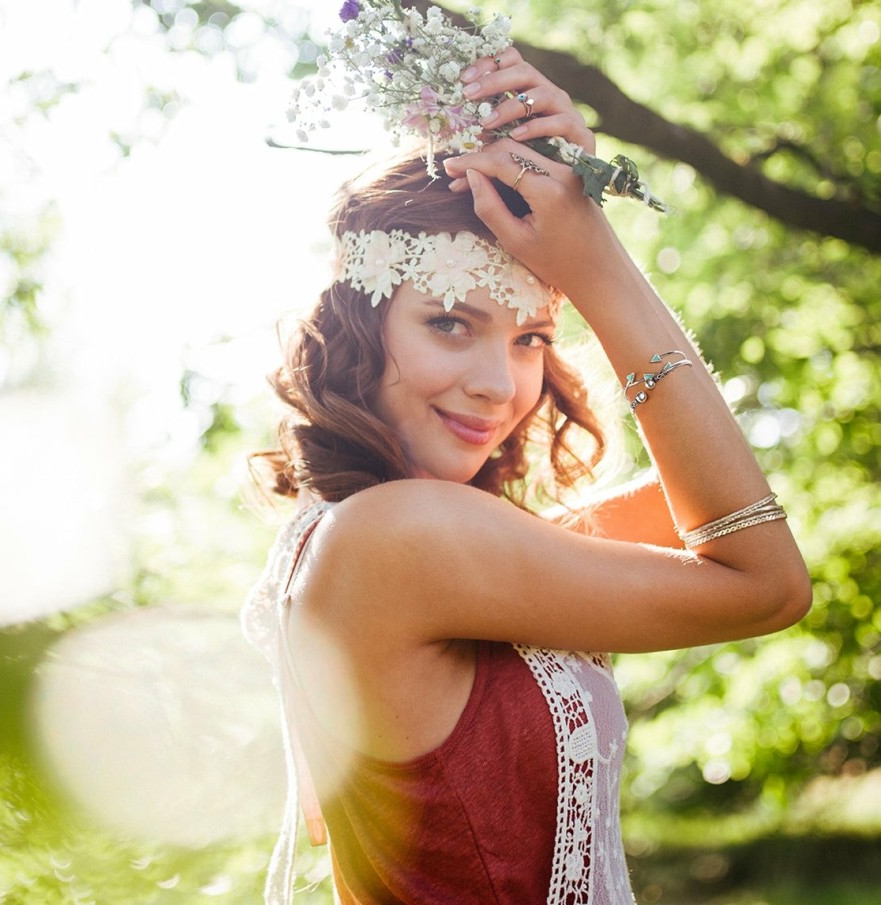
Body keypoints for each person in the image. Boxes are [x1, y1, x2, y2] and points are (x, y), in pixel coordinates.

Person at [242, 48, 811, 905]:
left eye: (531, 338)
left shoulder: (396, 539)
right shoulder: (397, 538)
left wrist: (571, 222)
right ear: (362, 326)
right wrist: (599, 265)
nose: (500, 385)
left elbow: (717, 506)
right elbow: (765, 579)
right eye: (449, 322)